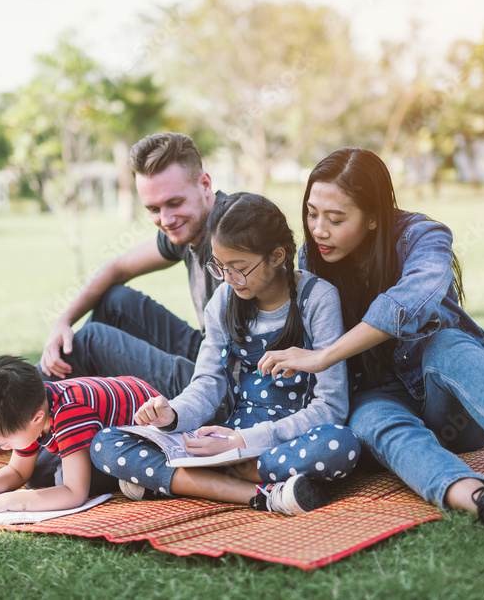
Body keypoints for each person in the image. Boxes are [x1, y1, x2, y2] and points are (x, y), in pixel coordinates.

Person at [258, 147, 484, 536]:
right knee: (367, 417)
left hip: (453, 406)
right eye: (312, 213)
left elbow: (403, 305)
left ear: (372, 219)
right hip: (379, 399)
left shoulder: (423, 237)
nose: (319, 229)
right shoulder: (311, 260)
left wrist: (322, 357)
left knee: (446, 344)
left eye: (335, 218)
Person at [0, 133, 229, 475]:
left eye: (174, 203)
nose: (165, 218)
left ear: (205, 183)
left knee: (89, 341)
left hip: (220, 382)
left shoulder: (233, 226)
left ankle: (0, 426)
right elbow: (116, 268)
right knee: (113, 301)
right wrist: (63, 322)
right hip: (205, 351)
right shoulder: (190, 226)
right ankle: (45, 424)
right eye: (153, 208)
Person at [91, 193, 360, 516]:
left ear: (276, 256)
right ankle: (259, 492)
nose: (229, 279)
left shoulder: (318, 299)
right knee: (106, 443)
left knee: (339, 445)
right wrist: (171, 415)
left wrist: (244, 442)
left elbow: (331, 406)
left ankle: (195, 481)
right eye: (219, 267)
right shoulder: (223, 300)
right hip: (225, 437)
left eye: (239, 268)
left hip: (286, 439)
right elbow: (207, 383)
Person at [0, 355, 160, 520]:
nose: (5, 449)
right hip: (99, 428)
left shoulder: (70, 412)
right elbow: (18, 471)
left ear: (36, 419)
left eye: (7, 443)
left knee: (61, 482)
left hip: (150, 438)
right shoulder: (32, 406)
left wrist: (7, 501)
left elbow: (74, 494)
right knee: (37, 474)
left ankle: (140, 480)